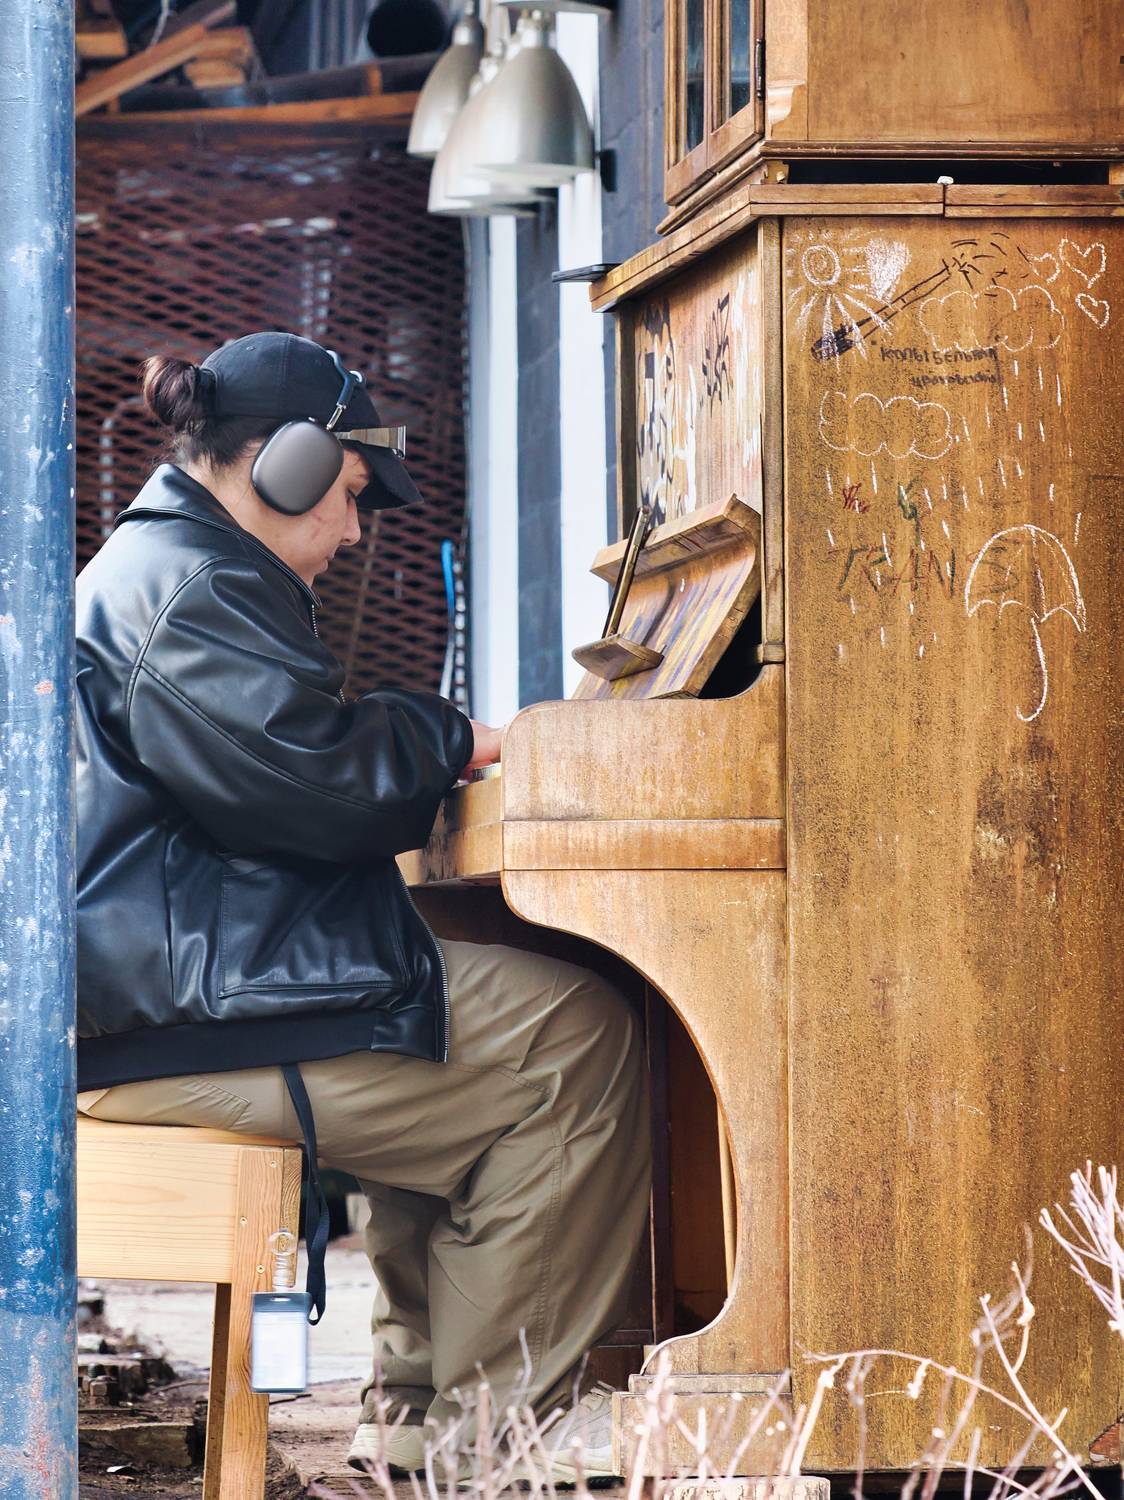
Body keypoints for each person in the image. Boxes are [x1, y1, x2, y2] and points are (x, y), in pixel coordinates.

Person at [75, 332, 651, 1480]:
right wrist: (462, 737)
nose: (350, 533)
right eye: (346, 495)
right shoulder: (192, 585)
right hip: (170, 1021)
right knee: (574, 1040)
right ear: (282, 466)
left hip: (167, 991)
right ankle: (502, 1442)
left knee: (429, 988)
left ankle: (415, 1409)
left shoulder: (167, 567)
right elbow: (321, 785)